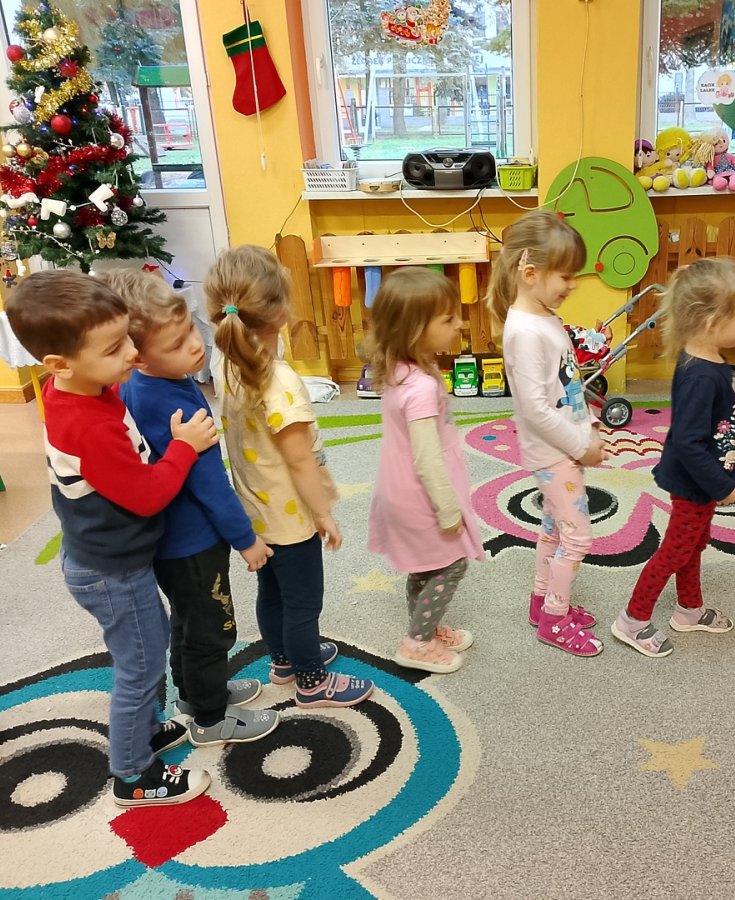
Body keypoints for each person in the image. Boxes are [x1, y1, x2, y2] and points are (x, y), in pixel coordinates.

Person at [5, 270, 219, 807]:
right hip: (112, 570)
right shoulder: (89, 425)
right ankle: (133, 773)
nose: (132, 353)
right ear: (59, 363)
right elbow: (148, 496)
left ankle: (144, 732)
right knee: (140, 665)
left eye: (128, 338)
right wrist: (183, 447)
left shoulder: (79, 388)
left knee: (146, 646)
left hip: (105, 556)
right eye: (114, 348)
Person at [109, 269, 279, 748]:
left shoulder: (142, 383)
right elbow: (210, 485)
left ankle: (195, 693)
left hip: (169, 540)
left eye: (191, 330)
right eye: (177, 343)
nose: (195, 345)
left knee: (187, 618)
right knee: (212, 627)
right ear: (138, 356)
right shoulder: (175, 406)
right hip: (193, 541)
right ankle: (210, 717)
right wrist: (246, 540)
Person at [207, 245, 374, 707]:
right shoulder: (279, 382)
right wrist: (323, 513)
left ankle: (283, 659)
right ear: (280, 312)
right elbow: (301, 461)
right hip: (291, 515)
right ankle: (311, 680)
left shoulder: (227, 363)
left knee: (272, 590)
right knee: (303, 602)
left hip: (255, 509)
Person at [612, 259, 735, 657]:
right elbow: (690, 443)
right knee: (674, 551)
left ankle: (689, 609)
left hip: (705, 482)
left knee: (692, 544)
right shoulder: (700, 375)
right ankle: (632, 620)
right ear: (712, 322)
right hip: (697, 483)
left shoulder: (708, 361)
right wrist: (722, 487)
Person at [486, 209, 606, 657]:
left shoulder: (545, 318)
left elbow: (566, 387)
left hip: (565, 447)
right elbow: (535, 409)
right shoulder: (524, 332)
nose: (572, 285)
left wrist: (589, 428)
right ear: (531, 273)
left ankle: (542, 603)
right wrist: (581, 446)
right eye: (566, 276)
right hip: (553, 453)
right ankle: (555, 619)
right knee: (577, 537)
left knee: (554, 530)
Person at [368, 268, 484, 674]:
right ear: (415, 330)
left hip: (399, 487)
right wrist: (448, 509)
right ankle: (417, 642)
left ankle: (426, 627)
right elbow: (427, 457)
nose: (459, 324)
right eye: (448, 319)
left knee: (423, 563)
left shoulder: (402, 368)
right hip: (422, 493)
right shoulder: (420, 388)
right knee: (452, 563)